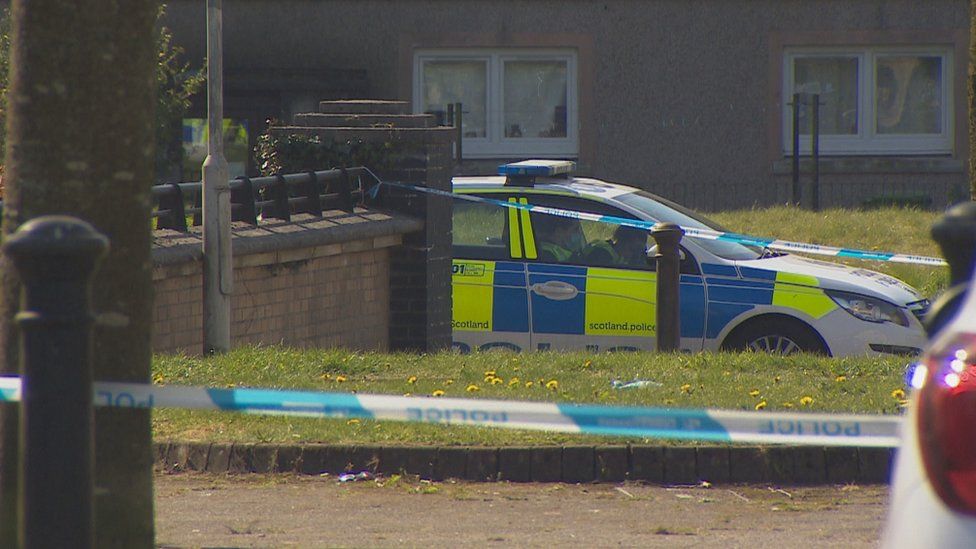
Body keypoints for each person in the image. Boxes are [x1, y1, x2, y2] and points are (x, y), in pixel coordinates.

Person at [582, 225, 649, 267]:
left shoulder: (617, 256)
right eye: (633, 250)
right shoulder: (603, 255)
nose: (633, 255)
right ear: (622, 242)